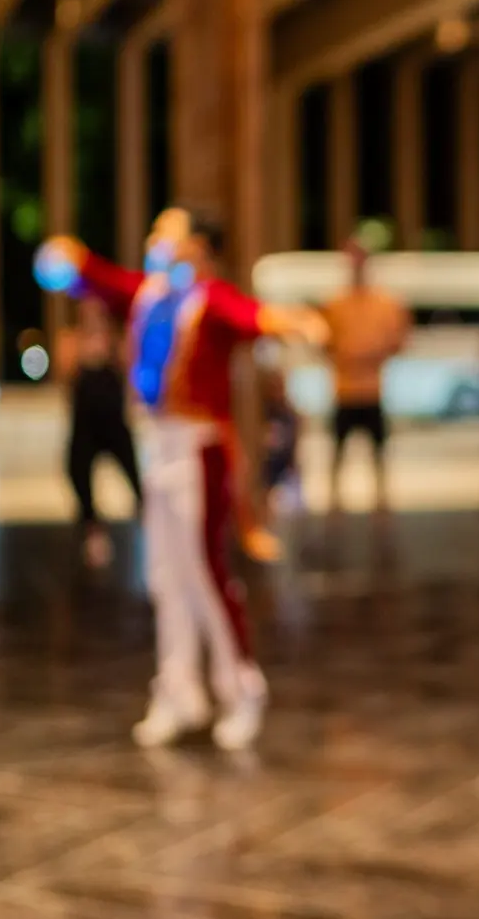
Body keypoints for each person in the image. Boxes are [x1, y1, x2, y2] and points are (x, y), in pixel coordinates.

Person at [36, 208, 325, 751]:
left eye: (166, 232)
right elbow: (98, 278)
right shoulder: (150, 295)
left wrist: (299, 321)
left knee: (206, 572)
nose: (153, 240)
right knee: (165, 575)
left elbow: (251, 315)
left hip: (199, 449)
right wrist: (68, 260)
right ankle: (178, 688)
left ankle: (240, 688)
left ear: (197, 245)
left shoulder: (207, 299)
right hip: (158, 444)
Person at [320, 240, 410, 517]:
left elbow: (398, 340)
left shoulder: (385, 303)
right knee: (337, 453)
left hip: (372, 390)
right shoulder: (335, 304)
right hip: (344, 390)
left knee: (379, 454)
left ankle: (381, 505)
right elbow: (325, 342)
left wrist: (368, 354)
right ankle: (335, 505)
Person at [59, 297, 141, 570]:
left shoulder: (116, 342)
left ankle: (151, 524)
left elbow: (130, 371)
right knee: (78, 474)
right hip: (85, 425)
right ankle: (93, 531)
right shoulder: (71, 341)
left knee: (136, 477)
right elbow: (65, 376)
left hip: (114, 422)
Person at [256, 363, 301, 560]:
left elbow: (294, 445)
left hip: (282, 471)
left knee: (287, 516)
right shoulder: (260, 413)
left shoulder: (290, 415)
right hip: (265, 473)